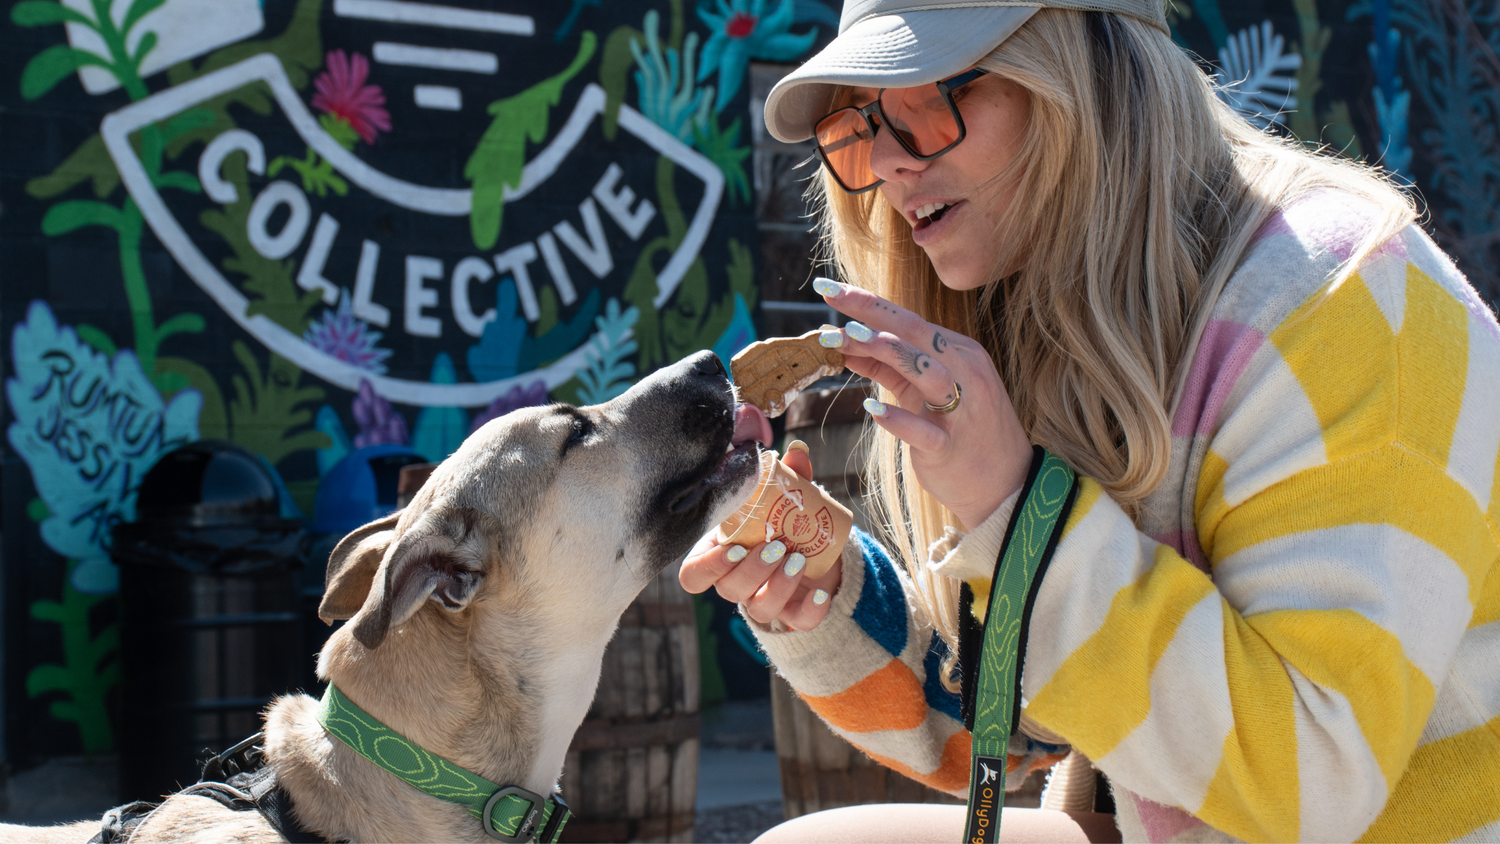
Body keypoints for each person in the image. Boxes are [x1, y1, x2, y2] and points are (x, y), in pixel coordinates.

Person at [679, 0, 1500, 842]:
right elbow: (1012, 729)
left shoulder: (1343, 295)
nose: (886, 162)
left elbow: (1312, 781)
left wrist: (1017, 508)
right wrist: (826, 592)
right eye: (859, 128)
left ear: (1083, 73)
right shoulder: (1057, 317)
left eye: (925, 102)